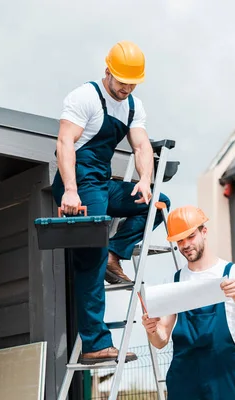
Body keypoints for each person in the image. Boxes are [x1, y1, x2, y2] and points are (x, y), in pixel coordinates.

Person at [51, 40, 170, 364]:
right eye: (121, 83)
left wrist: (145, 182)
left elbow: (142, 146)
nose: (125, 89)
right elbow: (65, 142)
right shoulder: (85, 97)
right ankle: (95, 344)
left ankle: (116, 254)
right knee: (91, 257)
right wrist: (71, 191)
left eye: (132, 84)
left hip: (102, 182)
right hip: (78, 182)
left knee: (157, 203)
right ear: (108, 71)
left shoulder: (133, 106)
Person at [141, 205, 235, 399]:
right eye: (180, 240)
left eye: (191, 236)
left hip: (222, 377)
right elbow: (160, 340)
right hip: (184, 380)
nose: (185, 244)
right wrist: (152, 329)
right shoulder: (174, 282)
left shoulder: (234, 273)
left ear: (204, 232)